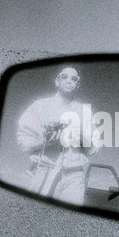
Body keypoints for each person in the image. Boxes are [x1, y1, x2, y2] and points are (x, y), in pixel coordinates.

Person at [17, 67, 99, 206]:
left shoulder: (85, 111)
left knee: (68, 221)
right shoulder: (40, 106)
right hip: (43, 170)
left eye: (74, 79)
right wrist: (44, 142)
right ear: (57, 81)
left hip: (74, 176)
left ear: (78, 84)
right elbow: (23, 140)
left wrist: (82, 138)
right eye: (64, 77)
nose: (69, 81)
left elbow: (93, 149)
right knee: (33, 215)